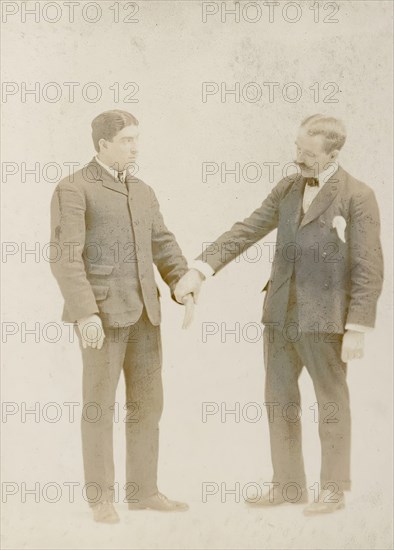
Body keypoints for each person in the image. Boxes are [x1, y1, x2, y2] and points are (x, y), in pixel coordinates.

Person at [175, 114, 384, 515]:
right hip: (279, 316)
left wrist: (357, 326)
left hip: (326, 322)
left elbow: (369, 266)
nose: (297, 159)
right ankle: (288, 486)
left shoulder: (358, 195)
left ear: (333, 153)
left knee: (331, 402)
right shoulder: (288, 187)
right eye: (297, 149)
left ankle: (333, 490)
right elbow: (247, 228)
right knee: (279, 401)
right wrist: (199, 270)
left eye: (307, 154)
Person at [50, 110, 189, 523]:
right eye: (127, 139)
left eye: (136, 138)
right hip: (103, 319)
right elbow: (65, 258)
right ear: (102, 144)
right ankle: (101, 500)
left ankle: (143, 492)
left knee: (148, 406)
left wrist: (181, 280)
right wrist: (85, 314)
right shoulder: (74, 189)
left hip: (147, 314)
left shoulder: (143, 190)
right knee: (99, 407)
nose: (135, 146)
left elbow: (162, 242)